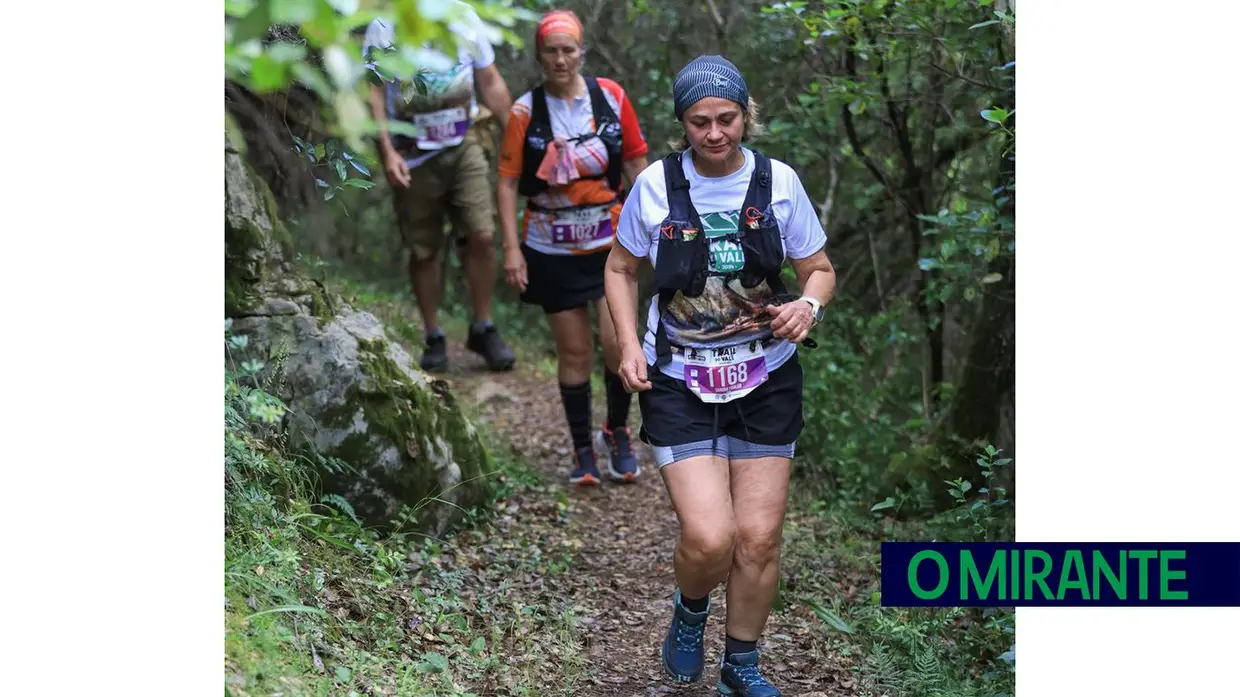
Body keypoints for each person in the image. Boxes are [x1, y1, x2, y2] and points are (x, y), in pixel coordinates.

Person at [604, 55, 836, 696]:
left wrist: (806, 305)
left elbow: (819, 268)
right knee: (711, 537)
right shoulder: (655, 186)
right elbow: (620, 269)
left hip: (766, 377)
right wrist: (629, 346)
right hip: (679, 378)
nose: (714, 133)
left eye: (726, 119)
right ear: (683, 124)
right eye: (700, 122)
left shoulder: (778, 182)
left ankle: (742, 665)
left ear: (746, 115)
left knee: (758, 538)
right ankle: (690, 610)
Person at [496, 10, 650, 485]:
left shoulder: (611, 97)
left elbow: (636, 165)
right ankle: (583, 449)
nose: (560, 59)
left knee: (617, 343)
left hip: (610, 241)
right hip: (551, 244)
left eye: (569, 49)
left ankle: (617, 429)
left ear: (581, 51)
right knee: (575, 350)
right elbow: (505, 183)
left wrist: (661, 230)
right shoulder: (525, 111)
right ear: (539, 56)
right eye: (551, 51)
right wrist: (511, 249)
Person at [363, 5, 517, 373]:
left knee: (481, 233)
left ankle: (483, 326)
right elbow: (373, 93)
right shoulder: (385, 26)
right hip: (411, 153)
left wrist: (517, 140)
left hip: (465, 142)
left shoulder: (463, 16)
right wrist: (386, 152)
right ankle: (433, 335)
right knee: (423, 249)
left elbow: (490, 80)